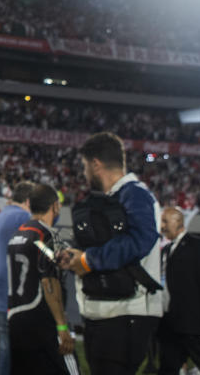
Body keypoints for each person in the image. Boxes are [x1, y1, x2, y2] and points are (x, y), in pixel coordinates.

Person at [59, 132, 162, 375]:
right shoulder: (115, 198)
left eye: (85, 166)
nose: (84, 174)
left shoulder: (135, 194)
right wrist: (75, 256)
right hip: (108, 312)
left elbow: (140, 240)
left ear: (96, 164)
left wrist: (88, 259)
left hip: (127, 313)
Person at [7, 183, 76, 374]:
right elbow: (49, 282)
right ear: (55, 206)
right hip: (40, 317)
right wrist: (62, 326)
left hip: (14, 319)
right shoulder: (45, 235)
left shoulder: (17, 234)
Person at [157, 207, 200, 375]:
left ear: (179, 222)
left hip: (193, 325)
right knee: (167, 367)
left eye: (166, 221)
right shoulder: (166, 250)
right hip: (170, 323)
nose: (162, 226)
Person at [0, 181, 35, 375]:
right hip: (13, 285)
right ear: (28, 200)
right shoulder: (24, 216)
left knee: (5, 339)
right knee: (21, 343)